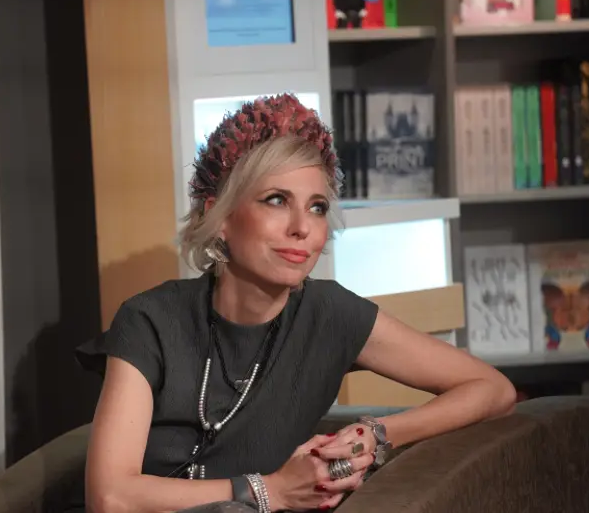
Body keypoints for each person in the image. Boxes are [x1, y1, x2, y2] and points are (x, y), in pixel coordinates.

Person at [75, 93, 516, 513]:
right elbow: (110, 498)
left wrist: (378, 432)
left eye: (317, 207)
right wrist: (271, 490)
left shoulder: (329, 315)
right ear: (219, 215)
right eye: (276, 200)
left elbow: (492, 388)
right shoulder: (151, 320)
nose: (302, 227)